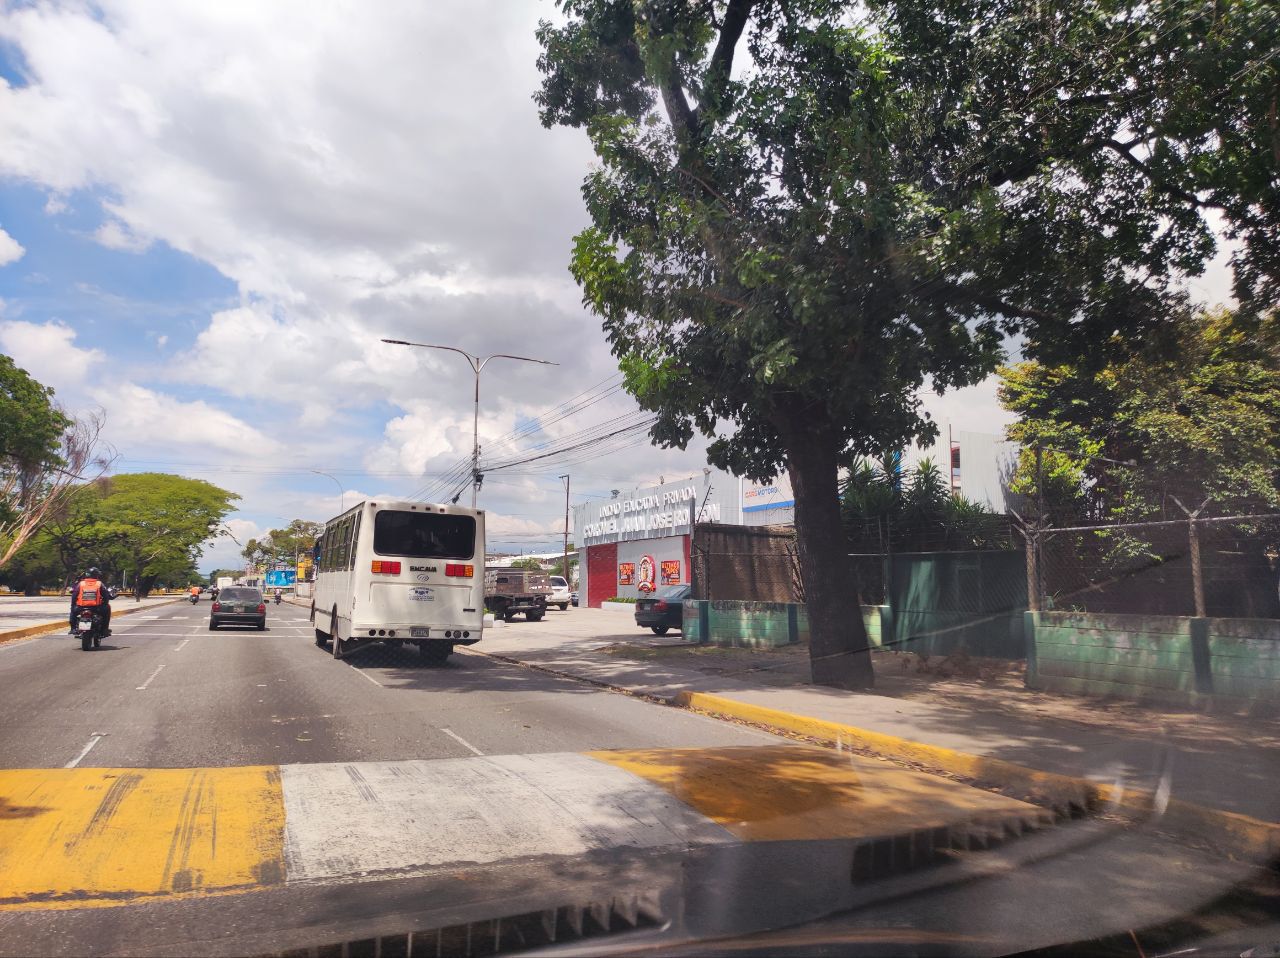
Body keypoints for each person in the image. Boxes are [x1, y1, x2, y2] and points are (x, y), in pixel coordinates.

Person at [69, 567, 112, 636]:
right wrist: (105, 603)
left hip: (80, 607)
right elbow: (105, 595)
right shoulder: (99, 584)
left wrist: (73, 605)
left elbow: (74, 595)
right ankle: (104, 629)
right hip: (96, 608)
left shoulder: (81, 584)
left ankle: (73, 628)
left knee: (73, 611)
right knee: (107, 608)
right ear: (96, 575)